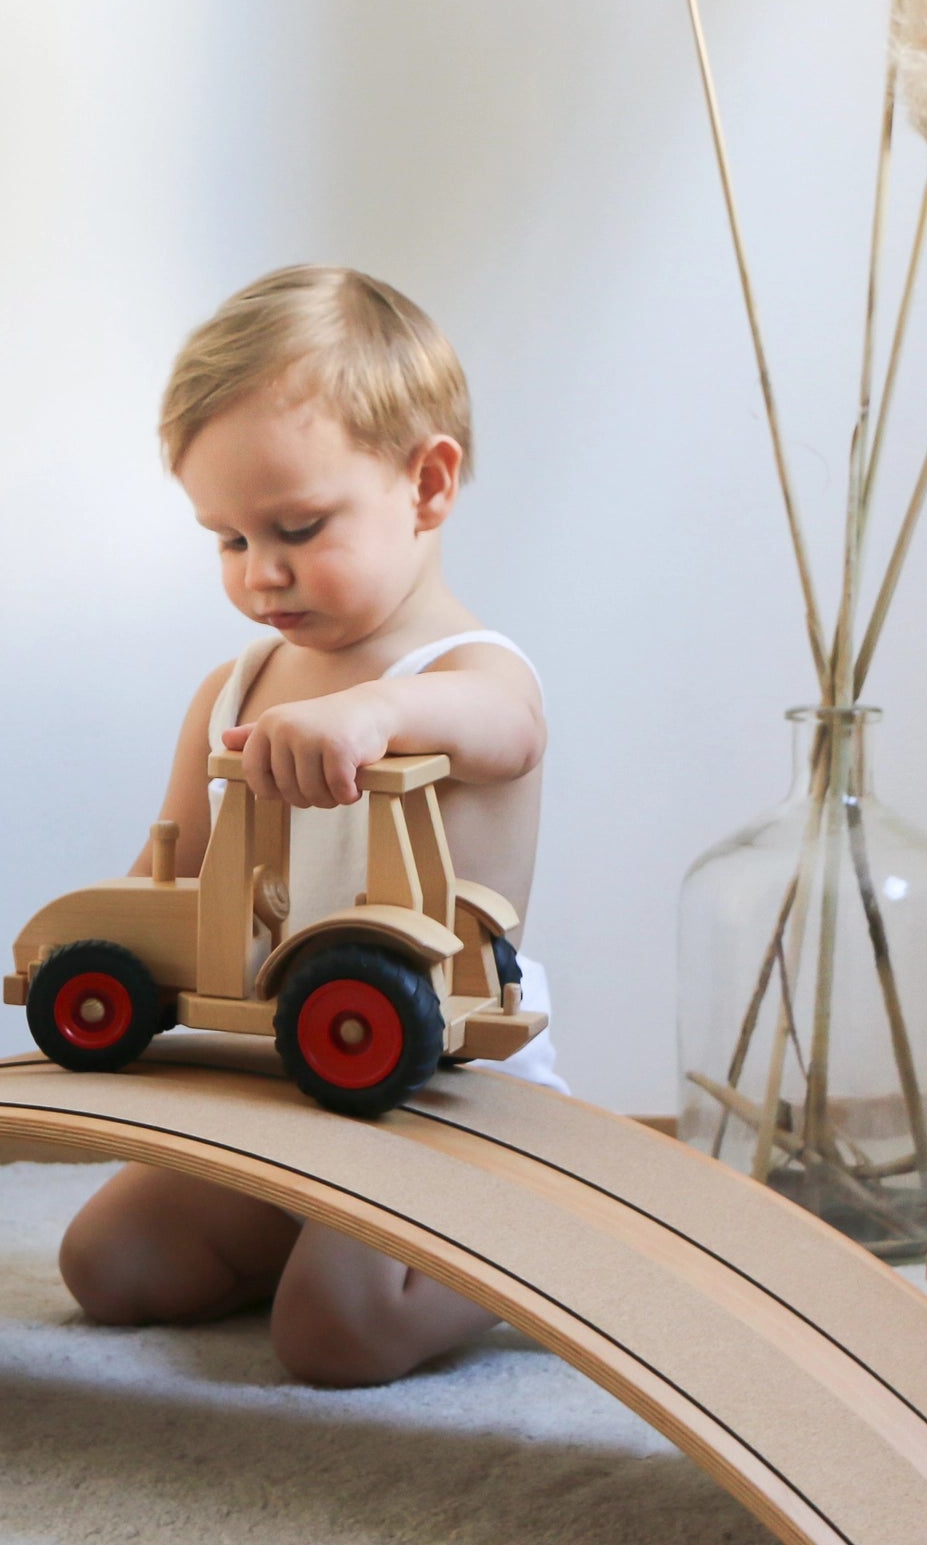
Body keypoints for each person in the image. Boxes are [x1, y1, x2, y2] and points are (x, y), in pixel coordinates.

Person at [57, 263, 566, 1386]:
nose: (259, 572)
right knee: (110, 1263)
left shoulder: (466, 673)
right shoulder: (233, 690)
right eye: (227, 539)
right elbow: (180, 866)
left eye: (294, 525)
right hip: (281, 1066)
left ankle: (527, 1244)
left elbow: (506, 730)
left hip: (433, 1080)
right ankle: (313, 1217)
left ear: (426, 484)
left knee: (330, 1336)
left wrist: (375, 709)